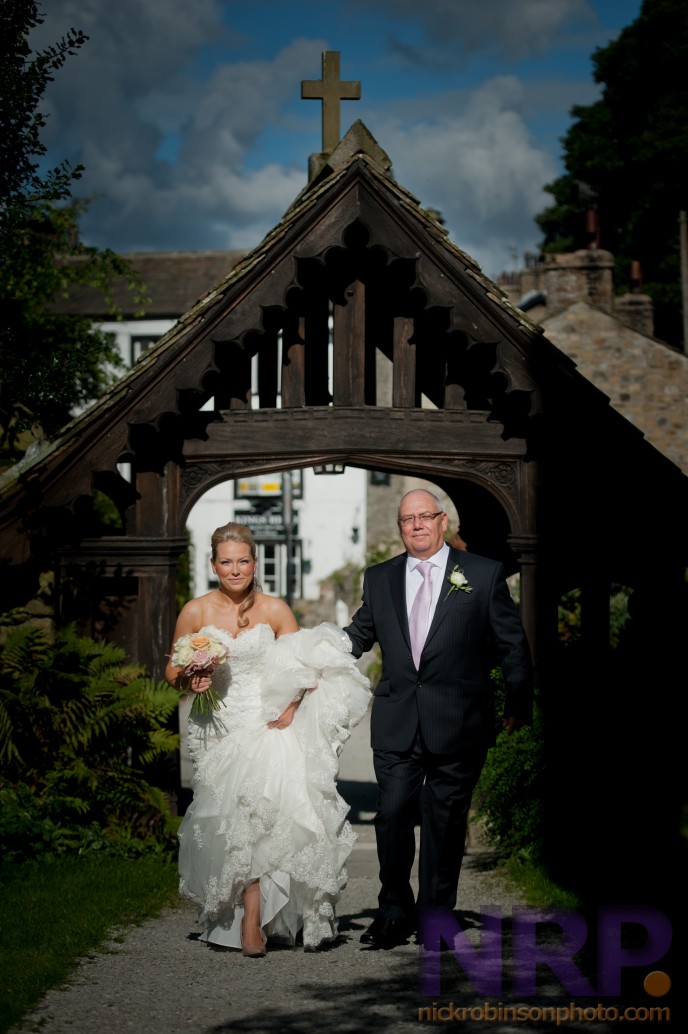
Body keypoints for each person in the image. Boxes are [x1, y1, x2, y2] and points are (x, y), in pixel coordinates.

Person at [165, 522, 370, 957]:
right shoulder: (195, 611)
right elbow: (171, 672)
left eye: (243, 561)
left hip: (268, 724)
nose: (235, 569)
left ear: (255, 563)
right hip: (217, 728)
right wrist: (192, 676)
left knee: (261, 819)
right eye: (226, 561)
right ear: (213, 564)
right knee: (228, 822)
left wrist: (291, 709)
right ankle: (238, 918)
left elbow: (304, 670)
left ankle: (254, 923)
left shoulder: (276, 610)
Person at [344, 489, 532, 949]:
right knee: (390, 815)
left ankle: (435, 914)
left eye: (425, 517)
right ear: (401, 528)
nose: (417, 526)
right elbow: (358, 634)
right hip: (397, 717)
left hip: (460, 719)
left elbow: (511, 644)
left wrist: (518, 702)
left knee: (445, 821)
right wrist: (305, 662)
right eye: (408, 519)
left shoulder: (483, 575)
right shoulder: (381, 577)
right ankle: (393, 910)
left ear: (442, 521)